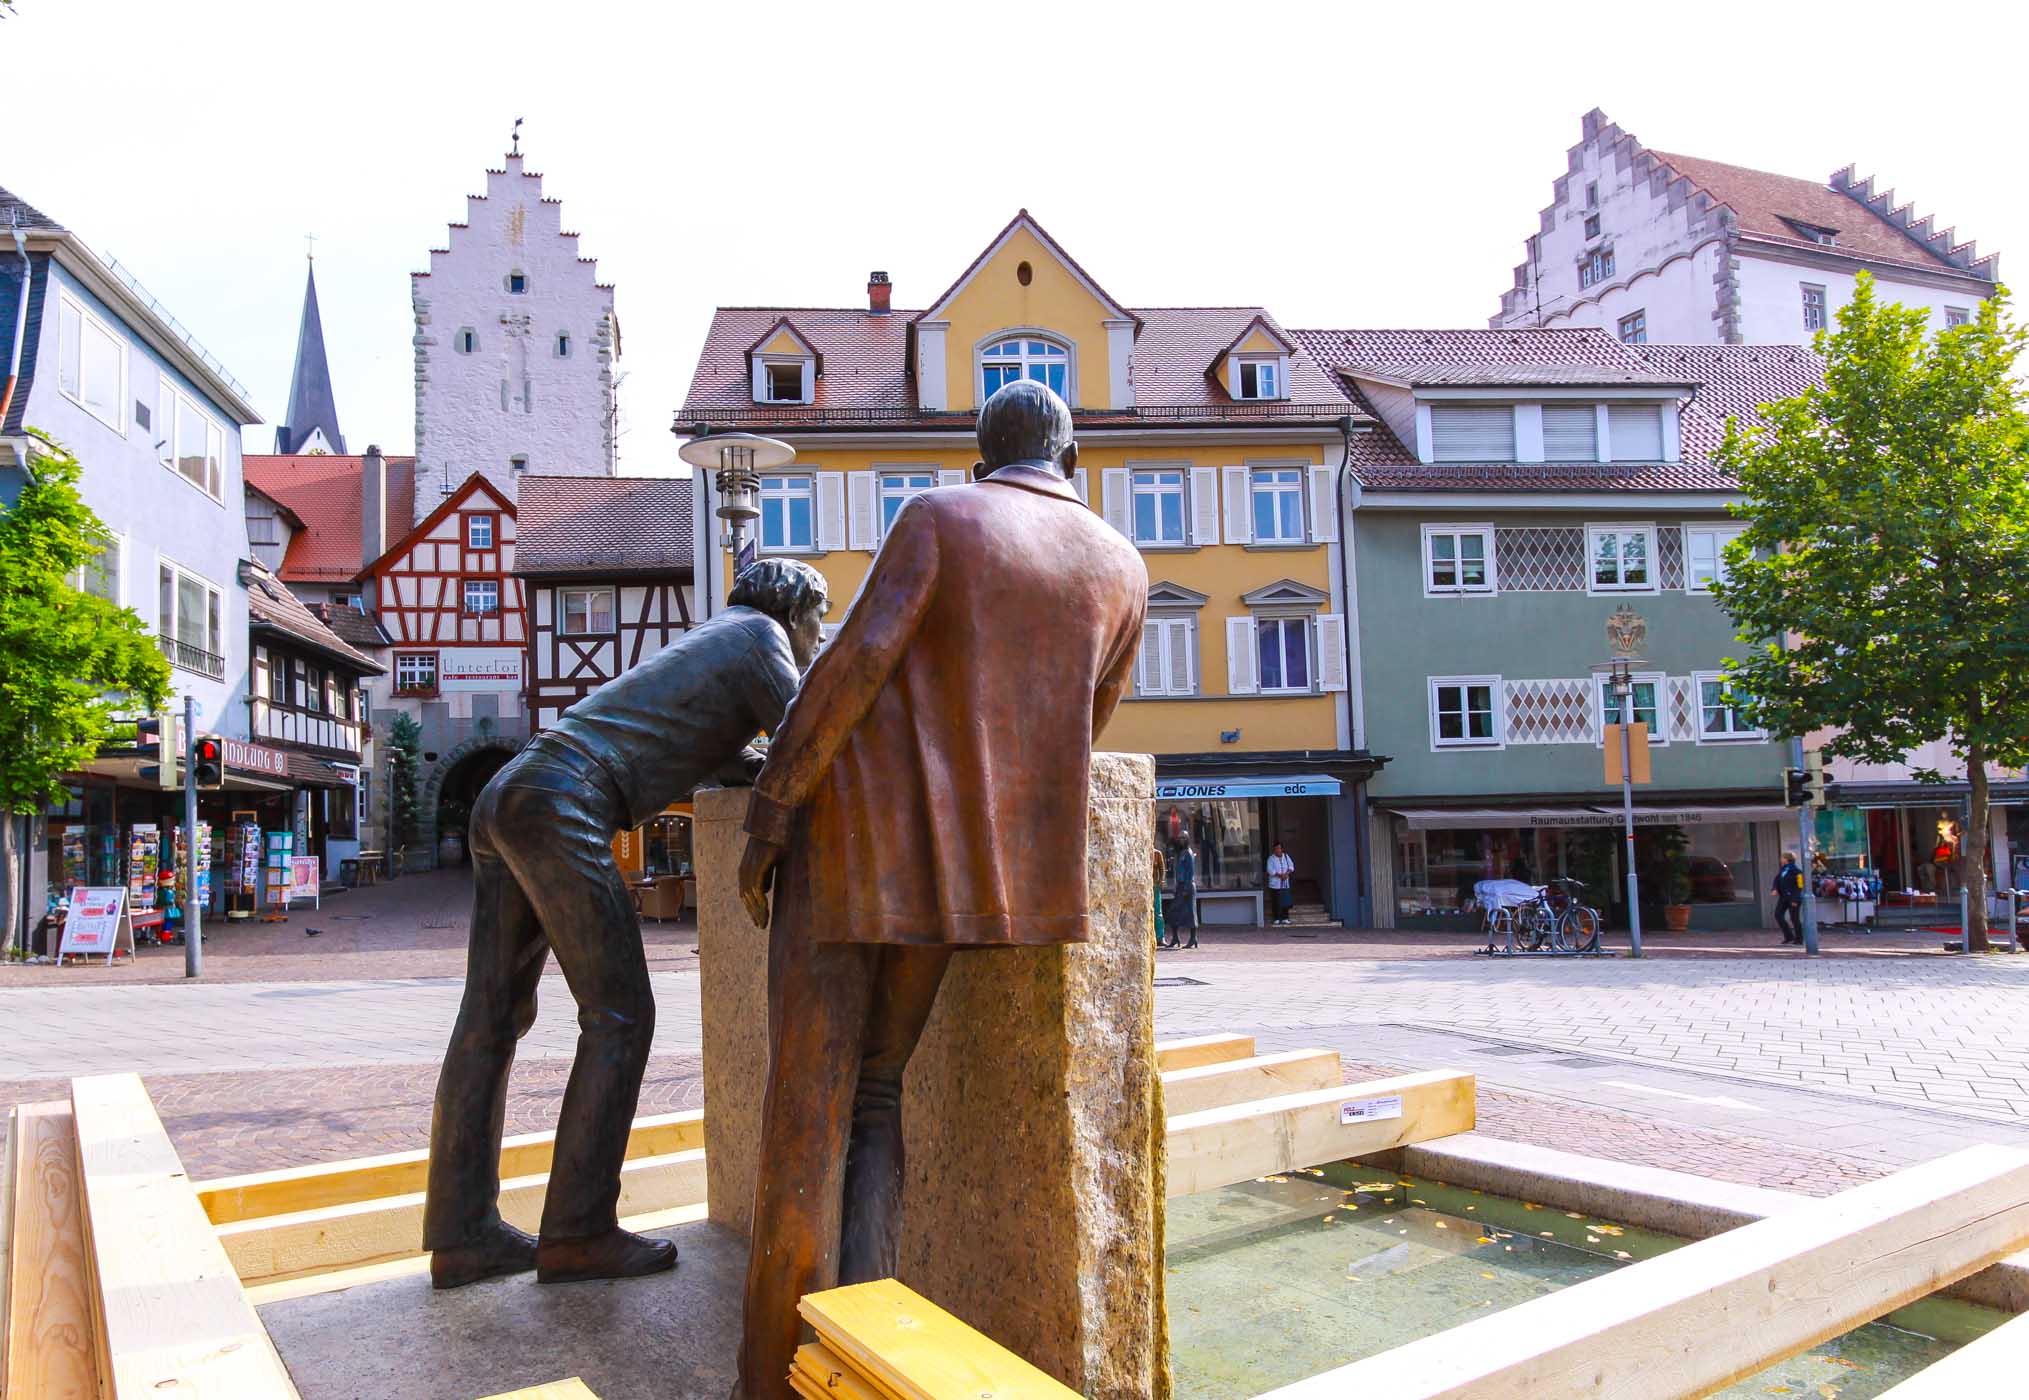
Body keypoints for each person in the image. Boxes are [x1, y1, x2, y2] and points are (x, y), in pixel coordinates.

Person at [731, 380, 1147, 1400]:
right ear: (1072, 459)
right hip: (965, 868)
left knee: (806, 1110)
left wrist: (770, 813)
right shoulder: (1123, 566)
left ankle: (770, 1375)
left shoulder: (940, 516)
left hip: (849, 842)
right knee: (878, 1091)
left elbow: (849, 667)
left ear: (979, 460)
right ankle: (860, 1348)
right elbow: (1080, 729)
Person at [421, 559, 829, 1290]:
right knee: (620, 1017)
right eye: (818, 619)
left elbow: (713, 749)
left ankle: (461, 1234)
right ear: (793, 611)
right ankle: (578, 1232)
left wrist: (744, 765)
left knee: (489, 1017)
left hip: (512, 790)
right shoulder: (760, 637)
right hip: (566, 799)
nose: (818, 636)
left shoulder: (715, 638)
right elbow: (808, 739)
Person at [1773, 849, 1805, 946]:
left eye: (1782, 858)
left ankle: (1799, 939)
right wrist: (1774, 889)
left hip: (1793, 898)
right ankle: (1789, 936)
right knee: (1778, 915)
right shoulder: (1783, 870)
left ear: (1787, 859)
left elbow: (1799, 886)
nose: (1780, 859)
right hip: (1783, 897)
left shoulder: (1797, 872)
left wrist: (1795, 899)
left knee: (1794, 918)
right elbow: (1776, 880)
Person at [1172, 838, 1199, 949]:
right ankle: (1175, 938)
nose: (1180, 840)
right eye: (1179, 838)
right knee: (1173, 912)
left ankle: (1193, 938)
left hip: (1187, 885)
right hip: (1180, 885)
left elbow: (1190, 872)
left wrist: (1186, 888)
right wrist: (1176, 886)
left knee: (1190, 913)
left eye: (1183, 838)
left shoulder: (1188, 853)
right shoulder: (1180, 854)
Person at [1266, 842, 1295, 927]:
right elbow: (1270, 870)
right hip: (1275, 884)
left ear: (1282, 849)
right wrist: (1280, 875)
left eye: (1279, 848)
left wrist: (1286, 874)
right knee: (1276, 901)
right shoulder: (1271, 858)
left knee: (1285, 901)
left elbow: (1291, 867)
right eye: (1276, 848)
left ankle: (1285, 918)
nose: (1277, 850)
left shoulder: (1286, 856)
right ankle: (1276, 918)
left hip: (1285, 883)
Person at [1153, 846, 1171, 949]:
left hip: (1155, 886)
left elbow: (1162, 868)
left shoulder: (1157, 853)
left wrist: (1161, 881)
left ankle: (1160, 937)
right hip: (1145, 886)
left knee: (1158, 913)